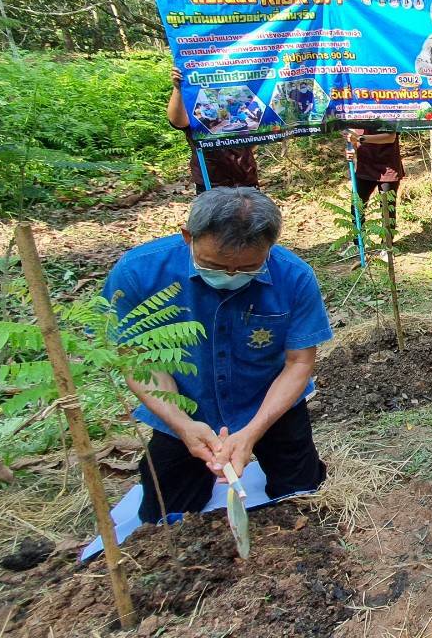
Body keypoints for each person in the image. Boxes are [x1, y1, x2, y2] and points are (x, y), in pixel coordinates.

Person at [102, 188, 333, 523]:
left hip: (267, 401)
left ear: (270, 247)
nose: (229, 277)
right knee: (164, 516)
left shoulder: (294, 276)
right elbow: (139, 360)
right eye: (213, 265)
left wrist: (252, 432)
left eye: (247, 268)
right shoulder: (139, 273)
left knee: (303, 495)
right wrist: (182, 424)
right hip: (184, 400)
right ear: (187, 237)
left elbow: (298, 363)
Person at [168, 68, 258, 193]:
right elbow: (178, 122)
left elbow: (253, 137)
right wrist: (178, 89)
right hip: (210, 179)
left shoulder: (235, 104)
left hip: (245, 175)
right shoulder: (192, 100)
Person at [348, 129, 403, 221]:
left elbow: (390, 137)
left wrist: (360, 138)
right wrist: (352, 149)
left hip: (388, 168)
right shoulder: (355, 115)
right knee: (356, 209)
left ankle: (387, 236)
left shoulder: (388, 114)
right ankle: (358, 235)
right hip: (364, 167)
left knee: (387, 212)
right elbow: (353, 139)